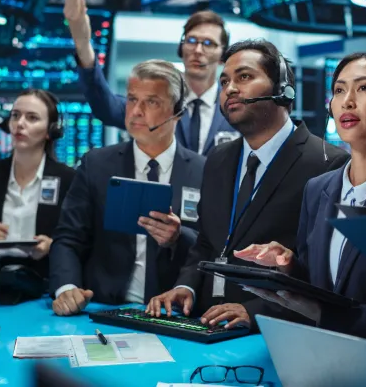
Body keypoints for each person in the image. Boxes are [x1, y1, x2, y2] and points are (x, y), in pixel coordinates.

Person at [233, 52, 366, 387]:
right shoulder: (317, 190)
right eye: (339, 90)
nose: (347, 101)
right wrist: (289, 268)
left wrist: (323, 312)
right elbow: (318, 283)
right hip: (317, 368)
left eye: (363, 89)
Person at [146, 39, 349, 329]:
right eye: (225, 81)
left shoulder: (327, 164)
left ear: (282, 90)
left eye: (244, 77)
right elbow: (206, 241)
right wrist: (186, 287)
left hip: (273, 333)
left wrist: (254, 311)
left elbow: (321, 273)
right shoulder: (218, 158)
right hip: (206, 324)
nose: (230, 89)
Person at [48, 60, 205, 316]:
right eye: (132, 99)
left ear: (178, 111)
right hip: (102, 308)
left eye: (151, 102)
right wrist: (66, 288)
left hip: (171, 311)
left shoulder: (204, 171)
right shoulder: (96, 164)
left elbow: (212, 248)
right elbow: (68, 238)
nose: (136, 111)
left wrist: (179, 237)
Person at [63, 0, 237, 156]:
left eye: (209, 43)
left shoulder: (235, 108)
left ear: (223, 56)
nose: (198, 50)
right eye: (192, 41)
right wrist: (83, 45)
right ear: (181, 48)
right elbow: (107, 107)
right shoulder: (155, 100)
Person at [0, 89, 76, 302]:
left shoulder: (68, 179)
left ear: (50, 131)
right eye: (15, 115)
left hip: (45, 290)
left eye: (32, 118)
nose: (20, 123)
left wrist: (53, 247)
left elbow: (80, 245)